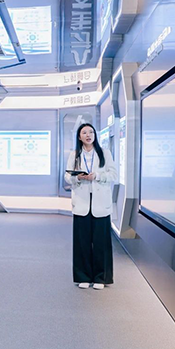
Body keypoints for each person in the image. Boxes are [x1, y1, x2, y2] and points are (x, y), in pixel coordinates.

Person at [65, 123, 116, 290]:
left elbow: (113, 174)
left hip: (100, 202)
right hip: (82, 202)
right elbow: (67, 176)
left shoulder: (104, 153)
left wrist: (97, 176)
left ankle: (101, 278)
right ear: (79, 137)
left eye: (91, 132)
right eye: (84, 133)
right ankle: (84, 276)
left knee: (101, 243)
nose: (88, 135)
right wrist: (78, 178)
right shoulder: (75, 154)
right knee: (82, 242)